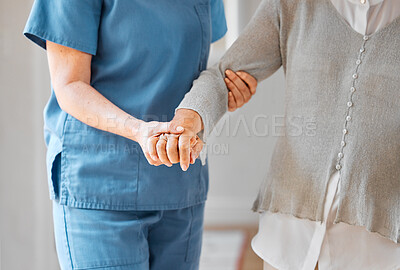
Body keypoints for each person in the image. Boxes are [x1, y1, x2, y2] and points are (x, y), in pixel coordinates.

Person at [152, 0, 400, 269]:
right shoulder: (293, 4)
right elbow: (223, 76)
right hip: (289, 235)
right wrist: (187, 121)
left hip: (379, 245)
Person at [23, 0, 258, 269]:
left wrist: (221, 92)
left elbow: (197, 70)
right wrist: (138, 130)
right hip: (100, 183)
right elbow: (70, 84)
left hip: (179, 180)